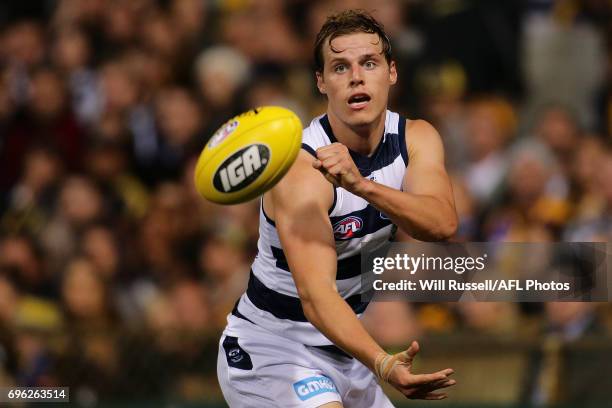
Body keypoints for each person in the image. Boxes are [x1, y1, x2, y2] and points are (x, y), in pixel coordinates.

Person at [217, 10, 458, 407]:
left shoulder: (417, 138)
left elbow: (442, 223)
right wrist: (383, 363)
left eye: (369, 63)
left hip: (348, 352)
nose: (356, 77)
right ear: (321, 82)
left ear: (391, 73)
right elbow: (317, 298)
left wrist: (360, 185)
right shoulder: (300, 169)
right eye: (340, 67)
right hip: (274, 349)